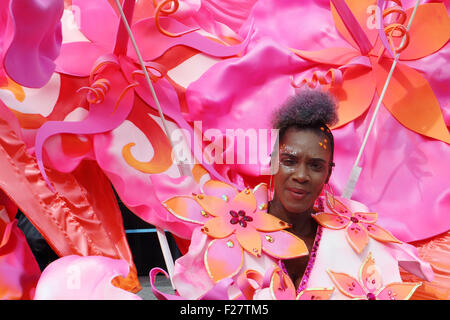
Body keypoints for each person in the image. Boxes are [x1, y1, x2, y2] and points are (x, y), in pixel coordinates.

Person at [154, 89, 433, 300]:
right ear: (272, 161)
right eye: (289, 160)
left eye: (315, 165)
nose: (301, 175)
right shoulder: (223, 235)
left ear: (328, 173)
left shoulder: (357, 238)